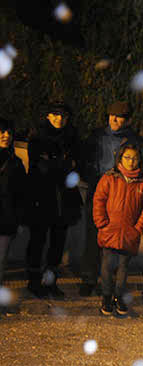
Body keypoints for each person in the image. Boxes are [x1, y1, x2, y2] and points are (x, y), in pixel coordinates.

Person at [80, 101, 143, 296]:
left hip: (121, 194)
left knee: (115, 242)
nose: (115, 120)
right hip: (98, 190)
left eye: (120, 117)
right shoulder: (96, 136)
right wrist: (90, 177)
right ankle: (89, 279)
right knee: (93, 236)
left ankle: (109, 282)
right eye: (112, 115)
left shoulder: (134, 139)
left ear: (127, 120)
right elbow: (84, 158)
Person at [25, 101, 81, 298]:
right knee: (38, 241)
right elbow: (41, 168)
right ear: (48, 116)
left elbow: (75, 165)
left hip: (64, 199)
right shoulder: (37, 138)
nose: (59, 118)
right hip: (41, 198)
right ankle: (33, 281)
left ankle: (51, 282)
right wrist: (62, 164)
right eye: (55, 114)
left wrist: (58, 164)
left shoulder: (72, 138)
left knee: (58, 242)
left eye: (63, 115)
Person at [92, 143, 143, 316]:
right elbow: (99, 200)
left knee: (124, 267)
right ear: (120, 158)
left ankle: (118, 296)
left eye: (135, 158)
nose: (131, 162)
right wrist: (101, 222)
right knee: (107, 265)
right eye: (127, 157)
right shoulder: (110, 178)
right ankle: (106, 296)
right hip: (109, 230)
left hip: (129, 233)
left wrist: (139, 228)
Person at [0, 119, 26, 292]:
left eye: (9, 132)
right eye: (2, 132)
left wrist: (18, 218)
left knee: (1, 260)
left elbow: (22, 194)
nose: (6, 136)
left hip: (6, 219)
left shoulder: (16, 163)